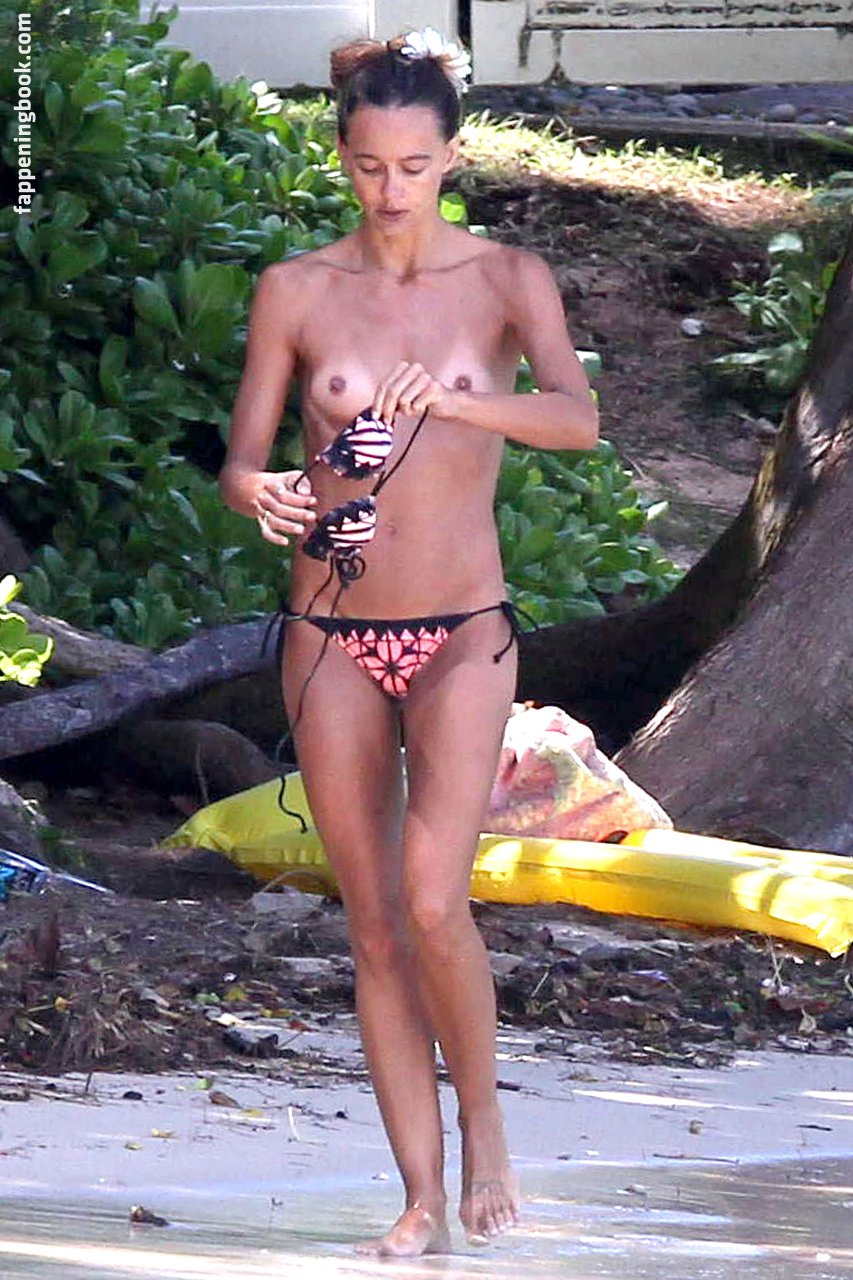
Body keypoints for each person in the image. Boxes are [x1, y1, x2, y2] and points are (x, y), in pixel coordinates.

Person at [219, 27, 598, 1258]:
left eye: (415, 167)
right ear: (343, 156)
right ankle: (420, 1197)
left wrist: (460, 402)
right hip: (329, 630)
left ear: (452, 157)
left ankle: (485, 1123)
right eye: (370, 166)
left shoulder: (505, 278)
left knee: (436, 897)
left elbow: (577, 418)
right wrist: (264, 492)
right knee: (374, 921)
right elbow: (241, 462)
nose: (392, 191)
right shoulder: (295, 289)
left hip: (461, 630)